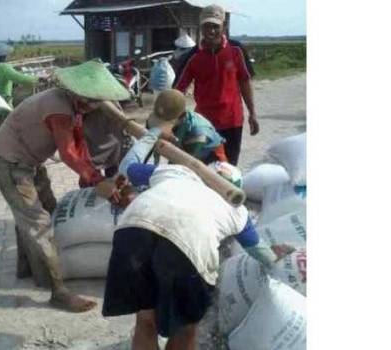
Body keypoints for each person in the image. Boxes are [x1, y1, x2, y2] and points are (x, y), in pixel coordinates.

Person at [100, 124, 294, 350]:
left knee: (145, 320)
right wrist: (277, 256)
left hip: (133, 233)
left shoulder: (175, 172)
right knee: (185, 328)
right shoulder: (236, 210)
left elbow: (127, 167)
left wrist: (152, 133)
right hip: (186, 245)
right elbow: (260, 252)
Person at [0, 60, 130, 312]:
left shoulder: (73, 106)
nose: (98, 105)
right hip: (10, 162)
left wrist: (93, 178)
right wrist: (97, 181)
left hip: (30, 160)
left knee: (48, 209)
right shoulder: (58, 108)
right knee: (40, 223)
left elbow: (79, 147)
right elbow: (67, 153)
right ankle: (59, 292)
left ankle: (26, 267)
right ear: (84, 95)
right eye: (96, 100)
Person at [174, 4, 259, 166]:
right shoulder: (193, 56)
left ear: (223, 26)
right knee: (206, 169)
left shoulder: (236, 50)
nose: (211, 31)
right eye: (207, 26)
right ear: (201, 27)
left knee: (229, 168)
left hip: (233, 121)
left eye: (215, 26)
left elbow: (245, 81)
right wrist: (173, 121)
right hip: (204, 124)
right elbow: (177, 90)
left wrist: (252, 113)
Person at [146, 89, 228, 164]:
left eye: (164, 124)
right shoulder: (169, 117)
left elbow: (183, 164)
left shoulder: (198, 134)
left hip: (209, 158)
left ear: (181, 117)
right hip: (186, 146)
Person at [0, 39, 39, 107]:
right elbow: (20, 78)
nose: (5, 56)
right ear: (0, 56)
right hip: (3, 103)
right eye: (4, 55)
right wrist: (38, 79)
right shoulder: (4, 67)